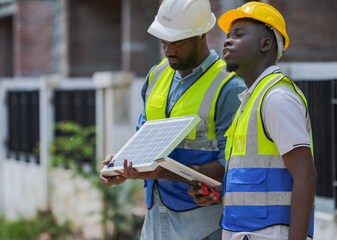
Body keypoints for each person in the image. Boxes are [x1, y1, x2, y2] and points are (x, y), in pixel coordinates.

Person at [100, 0, 246, 239]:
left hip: (202, 221)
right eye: (163, 41)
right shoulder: (156, 75)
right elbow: (143, 140)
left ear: (201, 34)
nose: (168, 50)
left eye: (177, 42)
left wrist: (166, 172)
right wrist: (122, 164)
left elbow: (233, 163)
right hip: (154, 216)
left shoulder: (228, 87)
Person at [188, 2, 316, 240]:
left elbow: (305, 175)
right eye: (227, 36)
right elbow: (258, 177)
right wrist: (221, 194)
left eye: (239, 35)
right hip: (246, 231)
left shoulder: (276, 98)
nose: (227, 41)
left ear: (265, 44)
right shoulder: (251, 101)